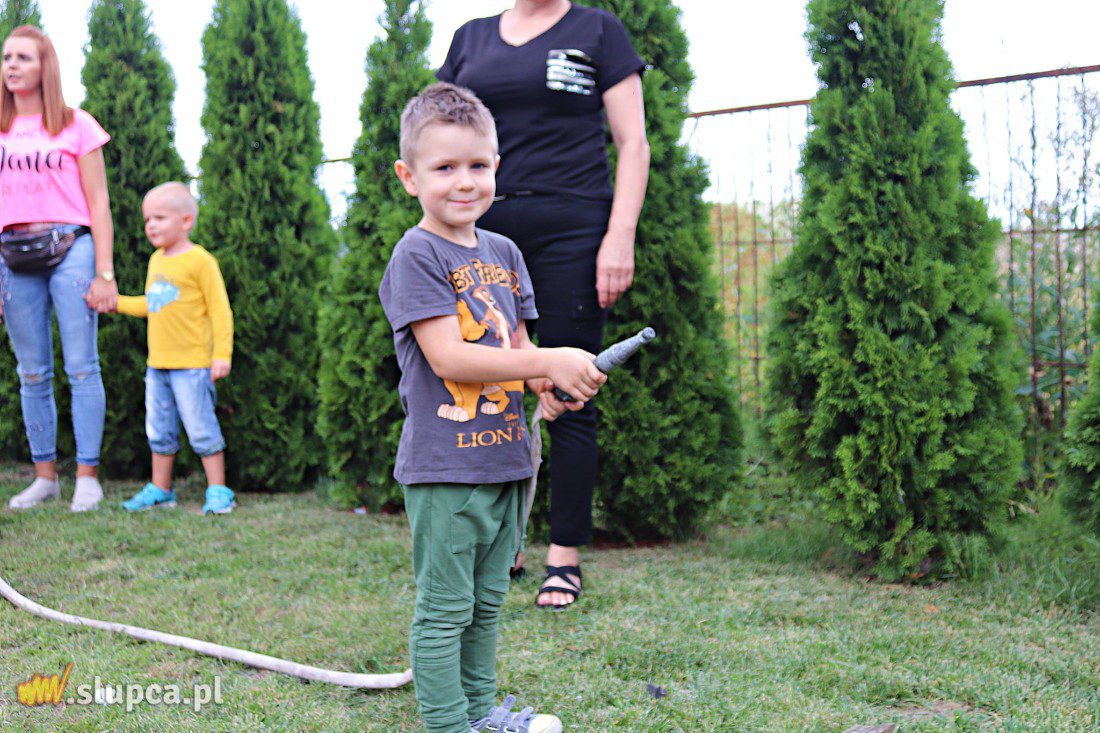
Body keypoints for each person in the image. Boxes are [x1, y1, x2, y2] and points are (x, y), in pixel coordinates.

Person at [380, 82, 604, 733]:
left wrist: (547, 385)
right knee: (445, 607)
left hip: (509, 461)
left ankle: (482, 713)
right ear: (408, 176)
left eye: (477, 165)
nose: (464, 181)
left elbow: (518, 344)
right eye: (444, 167)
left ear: (497, 168)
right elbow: (450, 358)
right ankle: (450, 725)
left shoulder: (505, 253)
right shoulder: (417, 254)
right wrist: (546, 361)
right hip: (447, 468)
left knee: (486, 602)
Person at [438, 0, 650, 609]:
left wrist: (620, 234)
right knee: (490, 386)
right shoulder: (470, 39)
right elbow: (440, 131)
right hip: (479, 234)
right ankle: (506, 543)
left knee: (569, 388)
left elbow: (632, 142)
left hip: (573, 229)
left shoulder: (598, 30)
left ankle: (564, 553)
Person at [0, 25, 117, 512]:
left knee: (82, 367)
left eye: (23, 57)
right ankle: (45, 477)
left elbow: (98, 200)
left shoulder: (76, 124)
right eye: (7, 57)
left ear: (45, 65)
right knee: (32, 373)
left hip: (72, 249)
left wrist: (105, 274)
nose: (11, 65)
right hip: (12, 256)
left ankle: (87, 477)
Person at [101, 182, 235, 515]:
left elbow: (220, 311)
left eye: (159, 218)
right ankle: (161, 490)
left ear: (186, 221)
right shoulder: (156, 261)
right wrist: (117, 304)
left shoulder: (201, 261)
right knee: (159, 431)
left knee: (202, 428)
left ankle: (219, 491)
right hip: (157, 364)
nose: (150, 226)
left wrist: (222, 355)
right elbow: (153, 303)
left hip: (193, 365)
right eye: (147, 220)